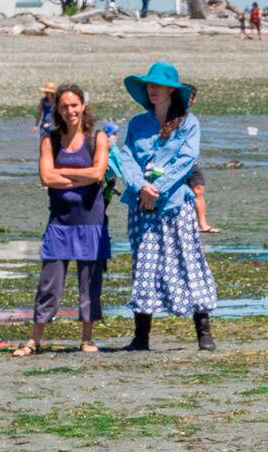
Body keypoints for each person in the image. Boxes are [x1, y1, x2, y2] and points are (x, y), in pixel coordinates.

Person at [112, 61, 216, 351]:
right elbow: (127, 157)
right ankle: (141, 337)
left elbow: (186, 160)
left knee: (188, 262)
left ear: (172, 90)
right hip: (141, 204)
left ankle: (204, 333)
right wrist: (140, 186)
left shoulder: (189, 123)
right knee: (144, 265)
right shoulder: (137, 123)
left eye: (158, 85)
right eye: (149, 85)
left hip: (174, 205)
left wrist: (157, 187)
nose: (152, 89)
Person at [18, 83, 111, 356]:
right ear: (57, 109)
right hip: (59, 223)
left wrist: (64, 174)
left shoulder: (97, 137)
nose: (70, 110)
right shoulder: (50, 139)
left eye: (74, 105)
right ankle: (34, 340)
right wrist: (79, 175)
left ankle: (87, 338)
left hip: (92, 222)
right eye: (64, 106)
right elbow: (46, 177)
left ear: (83, 106)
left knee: (89, 284)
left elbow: (98, 174)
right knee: (49, 283)